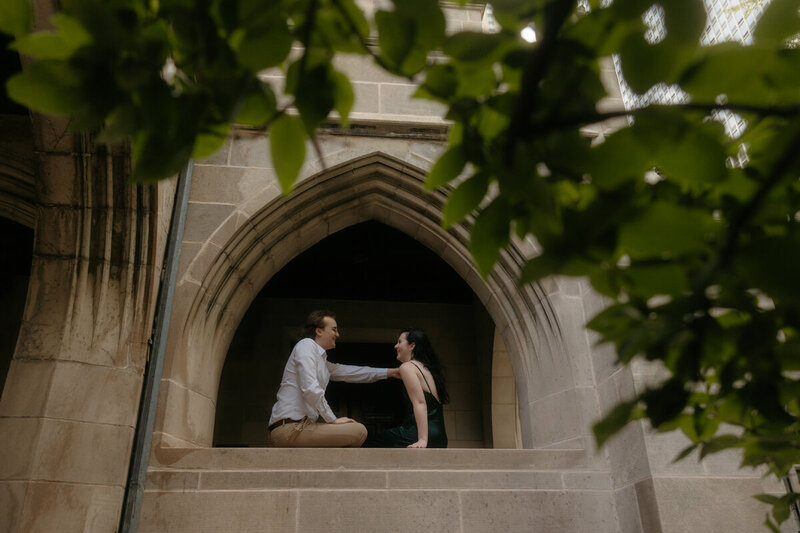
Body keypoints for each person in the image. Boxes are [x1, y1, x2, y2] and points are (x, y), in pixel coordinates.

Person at [268, 310, 399, 447]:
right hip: (290, 430)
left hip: (300, 428)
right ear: (319, 331)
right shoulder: (306, 345)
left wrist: (390, 372)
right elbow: (310, 388)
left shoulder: (322, 361)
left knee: (354, 432)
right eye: (334, 329)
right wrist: (332, 419)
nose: (337, 334)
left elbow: (351, 372)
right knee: (358, 431)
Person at [365, 328, 449, 448]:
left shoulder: (407, 367)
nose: (395, 346)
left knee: (370, 443)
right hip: (440, 436)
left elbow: (420, 403)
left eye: (400, 342)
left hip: (418, 434)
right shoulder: (426, 368)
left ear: (412, 346)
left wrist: (422, 440)